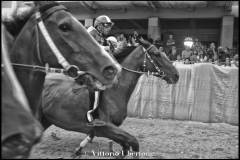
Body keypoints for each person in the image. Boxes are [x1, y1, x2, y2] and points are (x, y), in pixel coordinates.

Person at [86, 15, 114, 126]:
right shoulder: (91, 32)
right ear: (99, 26)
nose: (109, 28)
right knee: (97, 85)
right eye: (107, 26)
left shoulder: (101, 36)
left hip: (97, 65)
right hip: (88, 64)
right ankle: (92, 115)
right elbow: (90, 48)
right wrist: (105, 48)